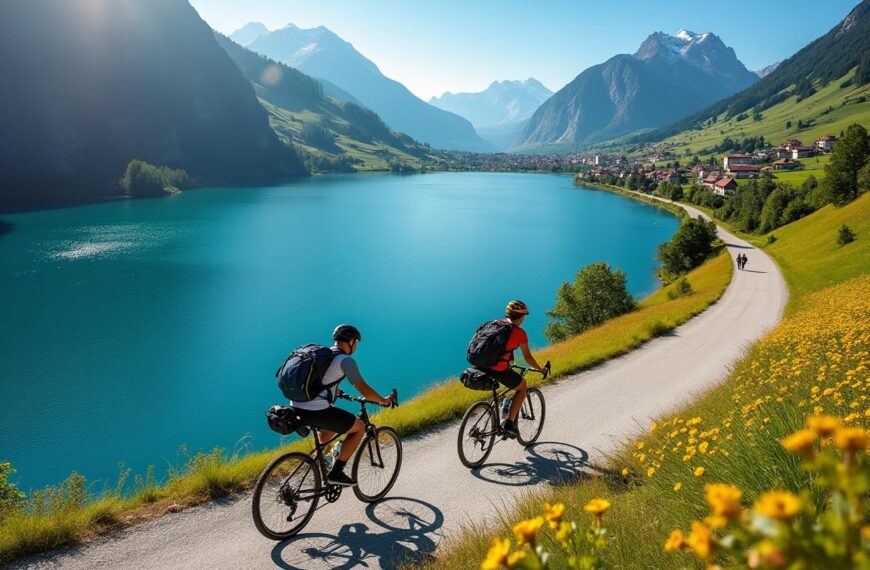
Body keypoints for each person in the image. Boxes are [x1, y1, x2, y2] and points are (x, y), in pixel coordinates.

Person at [289, 324, 395, 486]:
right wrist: (384, 401)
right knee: (358, 427)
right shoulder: (345, 361)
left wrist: (338, 392)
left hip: (296, 405)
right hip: (316, 410)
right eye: (356, 343)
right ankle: (336, 473)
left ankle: (316, 465)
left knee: (330, 428)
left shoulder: (323, 355)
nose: (356, 346)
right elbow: (364, 389)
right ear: (351, 341)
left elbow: (319, 381)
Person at [487, 300, 547, 439]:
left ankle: (504, 407)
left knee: (504, 388)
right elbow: (528, 358)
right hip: (498, 368)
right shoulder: (519, 332)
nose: (524, 319)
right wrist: (541, 369)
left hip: (482, 366)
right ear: (520, 317)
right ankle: (508, 424)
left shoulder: (495, 324)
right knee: (522, 386)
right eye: (524, 316)